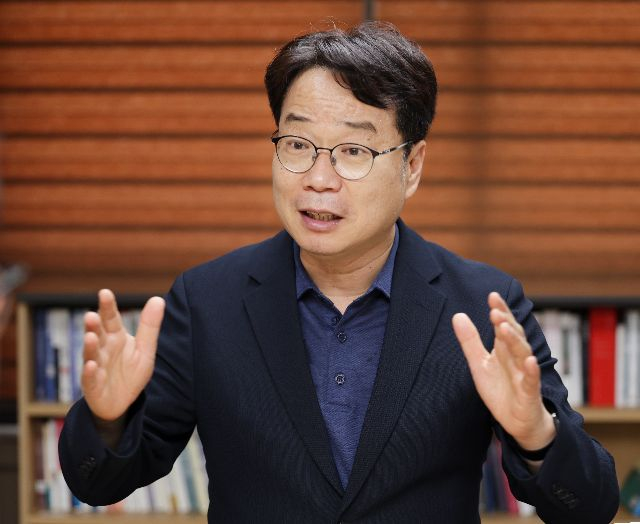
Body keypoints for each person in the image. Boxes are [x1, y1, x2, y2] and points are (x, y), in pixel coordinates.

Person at [59, 21, 619, 523]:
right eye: (297, 143)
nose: (318, 179)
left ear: (412, 166)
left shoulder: (482, 302)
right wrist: (108, 420)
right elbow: (99, 482)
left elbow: (590, 506)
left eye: (353, 150)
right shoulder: (208, 300)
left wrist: (536, 435)